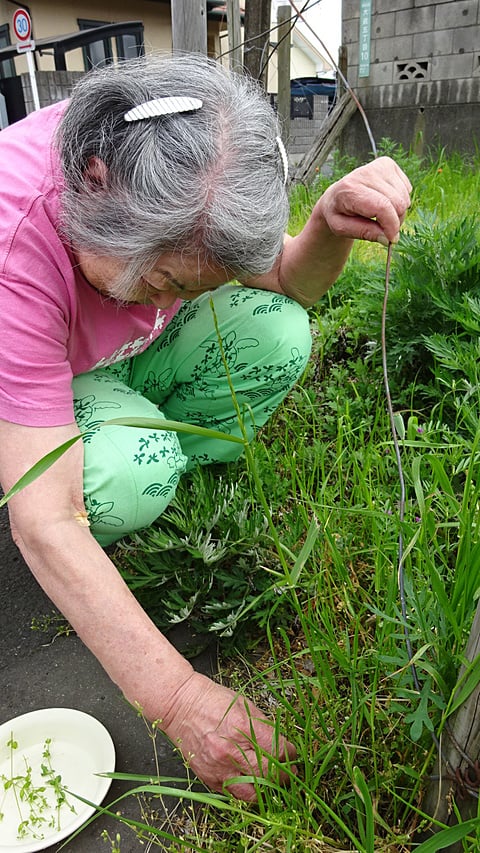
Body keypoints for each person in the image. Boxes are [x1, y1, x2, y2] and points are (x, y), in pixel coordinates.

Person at [0, 54, 411, 801]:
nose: (174, 295)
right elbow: (45, 516)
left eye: (191, 286)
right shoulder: (15, 237)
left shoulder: (187, 178)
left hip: (114, 355)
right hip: (32, 390)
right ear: (95, 185)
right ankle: (134, 475)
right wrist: (181, 700)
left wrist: (327, 224)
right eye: (166, 282)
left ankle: (162, 484)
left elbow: (286, 280)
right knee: (121, 474)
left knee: (279, 331)